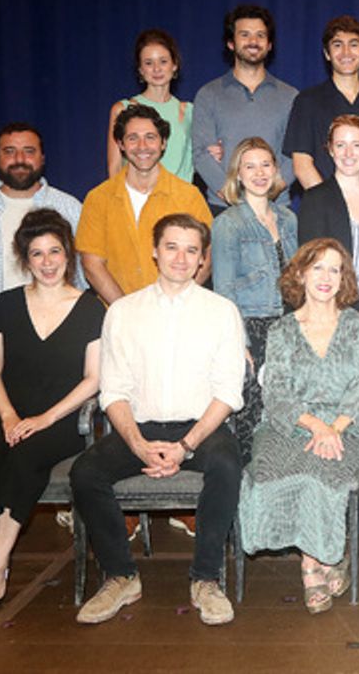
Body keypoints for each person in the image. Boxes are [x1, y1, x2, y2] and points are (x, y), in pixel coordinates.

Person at [71, 214, 245, 626]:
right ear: (155, 250)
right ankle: (120, 575)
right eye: (171, 247)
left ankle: (206, 579)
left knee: (226, 464)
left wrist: (186, 447)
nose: (181, 258)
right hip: (141, 428)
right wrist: (136, 443)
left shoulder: (222, 312)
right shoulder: (123, 312)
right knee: (86, 472)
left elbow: (228, 392)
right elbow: (113, 390)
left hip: (201, 427)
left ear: (203, 259)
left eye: (191, 250)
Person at [0, 209, 104, 612]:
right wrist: (6, 415)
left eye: (55, 251)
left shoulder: (91, 309)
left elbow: (93, 380)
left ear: (68, 254)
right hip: (7, 410)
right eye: (37, 254)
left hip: (61, 418)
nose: (48, 262)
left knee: (23, 459)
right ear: (25, 258)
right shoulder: (5, 304)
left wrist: (44, 419)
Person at [239, 238, 359, 614]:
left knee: (320, 474)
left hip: (346, 425)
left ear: (344, 278)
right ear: (300, 273)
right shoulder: (281, 330)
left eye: (335, 269)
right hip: (290, 424)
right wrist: (316, 426)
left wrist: (334, 428)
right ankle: (322, 557)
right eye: (317, 267)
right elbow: (278, 392)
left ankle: (314, 561)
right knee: (270, 473)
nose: (326, 277)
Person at [0, 122, 82, 393]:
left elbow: (80, 277)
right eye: (9, 151)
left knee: (59, 433)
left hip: (58, 357)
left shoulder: (71, 210)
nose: (19, 159)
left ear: (42, 158)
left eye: (28, 151)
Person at [296, 115, 359, 465]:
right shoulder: (317, 198)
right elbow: (312, 266)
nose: (348, 152)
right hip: (339, 316)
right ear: (329, 150)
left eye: (356, 144)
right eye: (340, 145)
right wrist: (353, 306)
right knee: (345, 406)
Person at [211, 137, 298, 464]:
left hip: (288, 329)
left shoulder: (289, 220)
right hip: (251, 329)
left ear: (276, 171)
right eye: (250, 166)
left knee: (287, 417)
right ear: (237, 175)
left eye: (266, 165)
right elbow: (224, 291)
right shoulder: (227, 224)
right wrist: (240, 343)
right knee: (251, 421)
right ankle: (248, 504)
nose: (259, 173)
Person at [77, 104, 214, 303]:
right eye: (133, 138)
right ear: (121, 144)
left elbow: (207, 256)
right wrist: (127, 312)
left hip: (176, 315)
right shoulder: (98, 198)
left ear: (163, 143)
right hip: (119, 318)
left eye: (150, 137)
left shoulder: (188, 196)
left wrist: (176, 302)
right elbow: (92, 264)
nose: (142, 146)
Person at [192, 5, 299, 210]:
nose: (253, 41)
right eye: (245, 35)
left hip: (275, 207)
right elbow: (201, 154)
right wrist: (232, 195)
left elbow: (295, 154)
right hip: (224, 208)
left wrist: (267, 193)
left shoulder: (290, 96)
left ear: (269, 45)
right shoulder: (208, 94)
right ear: (231, 43)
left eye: (260, 35)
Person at [283, 15, 359, 189]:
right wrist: (330, 206)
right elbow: (302, 165)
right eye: (338, 45)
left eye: (354, 45)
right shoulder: (306, 102)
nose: (346, 53)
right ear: (327, 53)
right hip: (322, 211)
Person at [106, 28, 193, 182]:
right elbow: (115, 168)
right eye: (148, 63)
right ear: (140, 70)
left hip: (180, 202)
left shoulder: (190, 112)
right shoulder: (122, 109)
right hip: (137, 201)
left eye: (163, 61)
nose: (157, 69)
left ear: (174, 65)